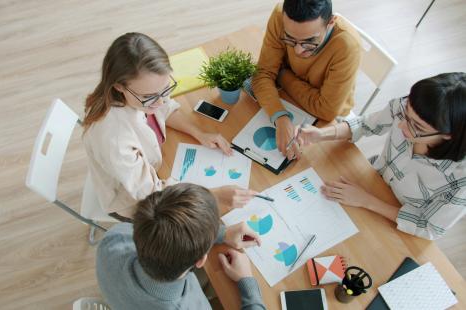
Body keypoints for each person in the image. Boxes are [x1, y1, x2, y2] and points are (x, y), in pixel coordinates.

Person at [83, 32, 256, 220]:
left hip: (149, 173)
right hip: (133, 202)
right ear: (119, 86)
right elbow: (152, 196)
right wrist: (214, 195)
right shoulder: (114, 137)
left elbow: (166, 109)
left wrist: (200, 133)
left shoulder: (143, 94)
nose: (159, 101)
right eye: (149, 96)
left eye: (165, 89)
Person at [295, 72, 466, 240]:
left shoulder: (461, 178)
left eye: (418, 127)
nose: (401, 124)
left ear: (448, 134)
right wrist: (321, 134)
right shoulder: (411, 108)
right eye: (406, 113)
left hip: (396, 216)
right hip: (372, 179)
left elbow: (429, 227)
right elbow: (366, 125)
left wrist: (366, 201)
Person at [96, 183, 266, 310]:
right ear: (200, 260)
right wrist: (247, 281)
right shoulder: (192, 306)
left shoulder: (113, 239)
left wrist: (221, 234)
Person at [251, 0, 361, 160]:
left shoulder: (347, 46)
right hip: (292, 100)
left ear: (331, 22)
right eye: (289, 38)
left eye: (309, 41)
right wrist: (280, 117)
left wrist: (282, 75)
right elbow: (262, 75)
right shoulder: (279, 16)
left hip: (328, 121)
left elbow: (326, 111)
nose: (298, 50)